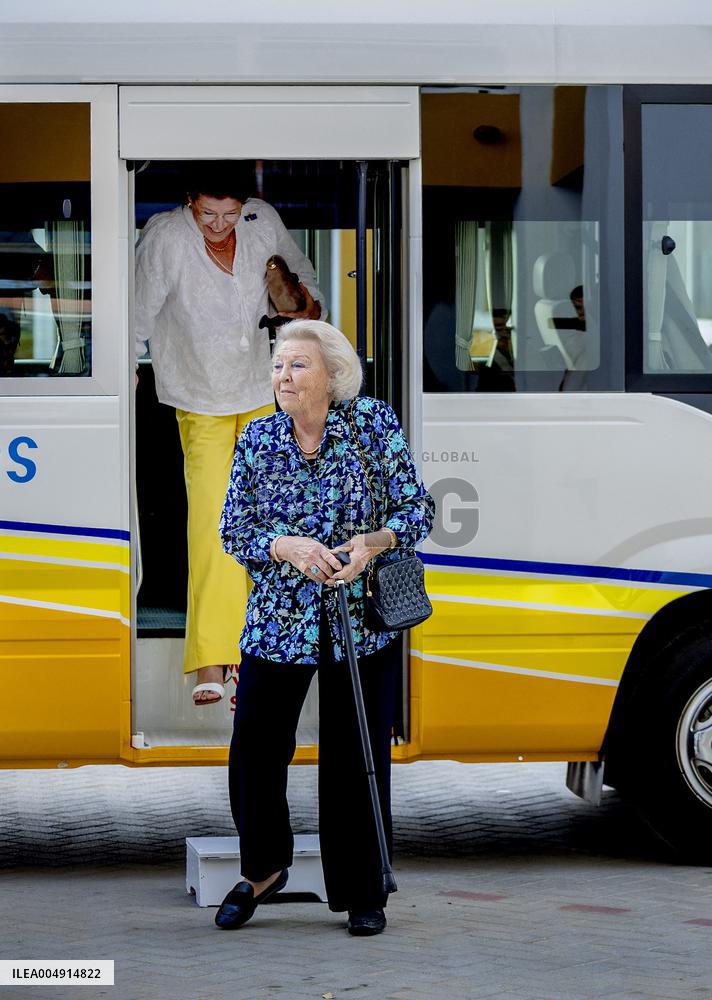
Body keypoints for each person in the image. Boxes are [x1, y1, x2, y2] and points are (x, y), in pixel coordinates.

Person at [216, 320, 434, 936]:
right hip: (278, 621)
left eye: (297, 366)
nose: (282, 376)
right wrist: (284, 546)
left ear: (332, 376)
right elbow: (234, 529)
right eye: (278, 365)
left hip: (360, 621)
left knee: (354, 755)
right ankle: (262, 869)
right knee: (255, 750)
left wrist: (370, 544)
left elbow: (417, 509)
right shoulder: (258, 439)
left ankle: (363, 889)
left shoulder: (372, 426)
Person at [134, 165, 326, 705]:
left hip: (263, 393)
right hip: (199, 398)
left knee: (269, 526)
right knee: (215, 526)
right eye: (207, 214)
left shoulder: (262, 222)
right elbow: (136, 314)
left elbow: (308, 291)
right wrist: (119, 373)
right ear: (189, 202)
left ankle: (256, 660)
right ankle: (211, 662)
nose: (219, 224)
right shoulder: (166, 237)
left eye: (229, 213)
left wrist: (288, 290)